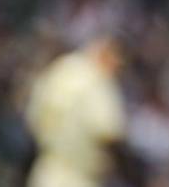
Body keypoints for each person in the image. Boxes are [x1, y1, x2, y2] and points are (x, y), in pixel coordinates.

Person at [25, 36, 125, 187]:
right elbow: (109, 131)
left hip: (46, 166)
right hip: (77, 177)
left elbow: (35, 108)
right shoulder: (98, 82)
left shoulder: (65, 66)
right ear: (108, 55)